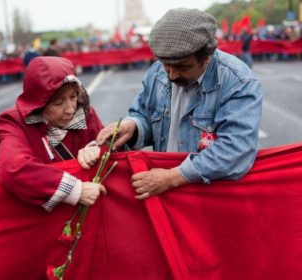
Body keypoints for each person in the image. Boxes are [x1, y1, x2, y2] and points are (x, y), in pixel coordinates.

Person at [97, 8, 263, 199]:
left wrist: (172, 178)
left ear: (207, 56)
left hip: (209, 199)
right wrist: (132, 126)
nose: (172, 75)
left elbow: (235, 151)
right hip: (161, 189)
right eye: (166, 65)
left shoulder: (238, 83)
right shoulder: (157, 72)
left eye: (183, 67)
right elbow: (144, 115)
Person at [0, 56, 105, 212]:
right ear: (38, 104)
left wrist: (96, 148)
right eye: (58, 103)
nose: (70, 109)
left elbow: (109, 146)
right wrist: (75, 190)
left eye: (73, 97)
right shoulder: (14, 122)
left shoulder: (85, 113)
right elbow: (12, 168)